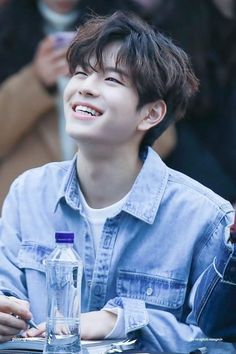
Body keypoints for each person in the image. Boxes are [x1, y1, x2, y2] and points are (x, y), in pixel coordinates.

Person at [0, 11, 234, 352]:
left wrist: (122, 320)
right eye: (80, 73)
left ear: (151, 113)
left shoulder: (205, 218)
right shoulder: (28, 193)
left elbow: (220, 342)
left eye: (110, 80)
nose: (84, 88)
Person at [0, 0, 109, 210]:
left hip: (104, 200)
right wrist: (35, 79)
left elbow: (161, 134)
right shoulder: (6, 28)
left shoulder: (126, 27)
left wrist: (107, 76)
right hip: (24, 204)